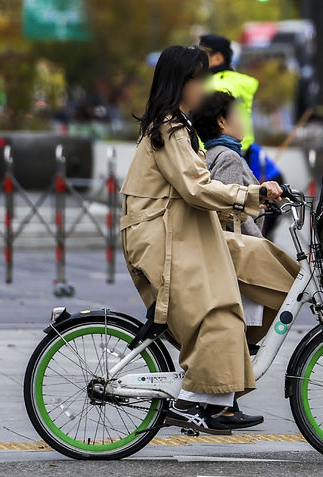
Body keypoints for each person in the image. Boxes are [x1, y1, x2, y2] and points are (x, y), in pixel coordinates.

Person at [120, 45, 283, 434]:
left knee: (253, 277)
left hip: (178, 231)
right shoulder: (169, 127)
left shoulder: (176, 125)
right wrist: (252, 196)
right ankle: (195, 402)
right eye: (201, 79)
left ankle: (217, 397)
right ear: (183, 83)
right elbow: (196, 188)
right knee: (220, 313)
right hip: (162, 239)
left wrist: (248, 200)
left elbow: (192, 191)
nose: (206, 86)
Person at [190, 89, 300, 348]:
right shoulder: (229, 158)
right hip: (237, 255)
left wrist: (259, 197)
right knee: (286, 289)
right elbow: (225, 209)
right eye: (238, 115)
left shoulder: (212, 154)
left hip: (224, 255)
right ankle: (239, 353)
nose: (243, 121)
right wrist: (259, 242)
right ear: (221, 121)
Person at [199, 33, 286, 237]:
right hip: (242, 150)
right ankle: (264, 237)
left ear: (218, 58)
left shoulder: (215, 85)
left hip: (220, 151)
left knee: (240, 207)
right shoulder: (238, 82)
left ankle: (262, 237)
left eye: (201, 54)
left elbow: (227, 212)